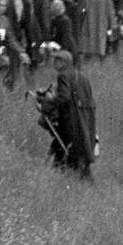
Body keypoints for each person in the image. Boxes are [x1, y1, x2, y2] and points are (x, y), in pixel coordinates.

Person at [36, 50, 96, 178]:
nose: (54, 63)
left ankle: (62, 171)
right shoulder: (81, 75)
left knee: (65, 142)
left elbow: (64, 97)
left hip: (73, 116)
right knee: (82, 143)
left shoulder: (63, 75)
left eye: (56, 60)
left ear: (63, 62)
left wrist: (47, 102)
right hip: (86, 115)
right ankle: (79, 172)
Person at [76, 0, 115, 64]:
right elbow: (110, 13)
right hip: (102, 20)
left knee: (88, 35)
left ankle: (87, 53)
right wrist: (111, 25)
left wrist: (82, 16)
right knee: (101, 36)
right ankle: (101, 54)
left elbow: (80, 10)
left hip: (89, 19)